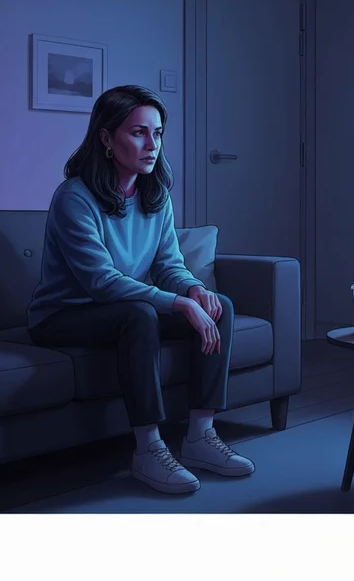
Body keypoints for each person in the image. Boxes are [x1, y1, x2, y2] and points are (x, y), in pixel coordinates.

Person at [27, 85, 254, 495]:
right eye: (138, 133)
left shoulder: (155, 194)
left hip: (121, 310)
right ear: (106, 138)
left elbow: (168, 264)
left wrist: (193, 290)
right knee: (139, 314)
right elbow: (101, 281)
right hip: (63, 316)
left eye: (158, 133)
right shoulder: (74, 199)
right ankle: (148, 449)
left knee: (219, 305)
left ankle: (201, 436)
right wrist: (177, 303)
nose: (152, 145)